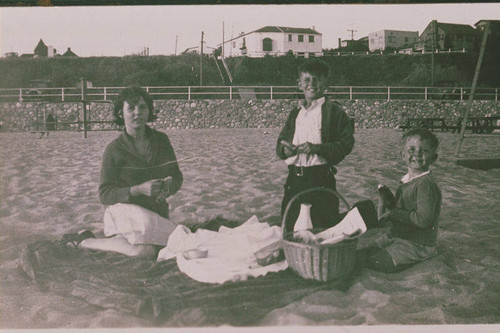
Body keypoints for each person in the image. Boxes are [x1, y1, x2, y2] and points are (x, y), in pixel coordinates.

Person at [62, 86, 183, 258]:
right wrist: (138, 190)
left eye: (142, 107)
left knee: (166, 247)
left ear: (149, 111)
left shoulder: (161, 141)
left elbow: (177, 176)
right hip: (124, 214)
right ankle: (85, 241)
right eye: (131, 108)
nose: (137, 113)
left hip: (156, 214)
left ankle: (108, 239)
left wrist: (169, 186)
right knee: (145, 252)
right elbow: (104, 194)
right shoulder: (114, 149)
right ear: (121, 113)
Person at [276, 59, 355, 232]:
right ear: (299, 85)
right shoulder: (295, 113)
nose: (312, 84)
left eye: (317, 79)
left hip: (321, 179)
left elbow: (346, 144)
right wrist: (286, 150)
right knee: (291, 229)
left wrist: (317, 148)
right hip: (294, 180)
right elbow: (280, 143)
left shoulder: (334, 112)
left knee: (323, 229)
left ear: (326, 82)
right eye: (307, 80)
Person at [361, 128, 441, 273]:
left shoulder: (425, 184)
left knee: (376, 262)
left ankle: (412, 261)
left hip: (417, 243)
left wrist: (392, 214)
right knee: (365, 253)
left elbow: (423, 219)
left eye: (424, 150)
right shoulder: (408, 180)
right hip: (398, 235)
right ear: (402, 155)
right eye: (411, 149)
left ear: (433, 158)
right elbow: (402, 208)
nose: (417, 153)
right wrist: (387, 197)